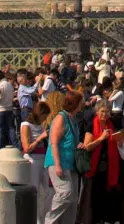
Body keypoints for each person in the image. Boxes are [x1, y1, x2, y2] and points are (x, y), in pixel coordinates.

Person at [44, 90, 85, 224]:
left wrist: (79, 145)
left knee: (73, 200)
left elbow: (69, 140)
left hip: (71, 163)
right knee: (65, 193)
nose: (83, 104)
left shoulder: (73, 119)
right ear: (75, 103)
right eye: (81, 102)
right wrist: (57, 165)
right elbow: (54, 142)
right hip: (59, 162)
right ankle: (49, 219)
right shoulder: (61, 118)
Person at [83, 98, 124, 224]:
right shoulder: (91, 125)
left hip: (110, 166)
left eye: (107, 112)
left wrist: (120, 141)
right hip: (95, 168)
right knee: (95, 198)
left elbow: (119, 141)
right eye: (102, 111)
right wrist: (101, 138)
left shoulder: (112, 123)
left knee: (110, 197)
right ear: (97, 111)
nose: (105, 114)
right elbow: (87, 147)